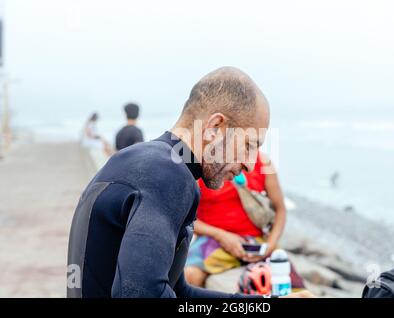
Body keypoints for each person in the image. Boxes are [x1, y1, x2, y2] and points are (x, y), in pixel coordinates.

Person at [67, 66, 311, 298]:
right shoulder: (168, 176)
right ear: (215, 127)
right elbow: (139, 294)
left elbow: (179, 292)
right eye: (249, 145)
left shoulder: (142, 162)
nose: (249, 164)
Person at [184, 151, 304, 291]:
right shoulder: (202, 163)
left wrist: (270, 245)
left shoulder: (263, 162)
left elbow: (280, 210)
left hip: (257, 241)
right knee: (189, 276)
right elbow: (185, 217)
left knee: (295, 288)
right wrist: (220, 235)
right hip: (213, 239)